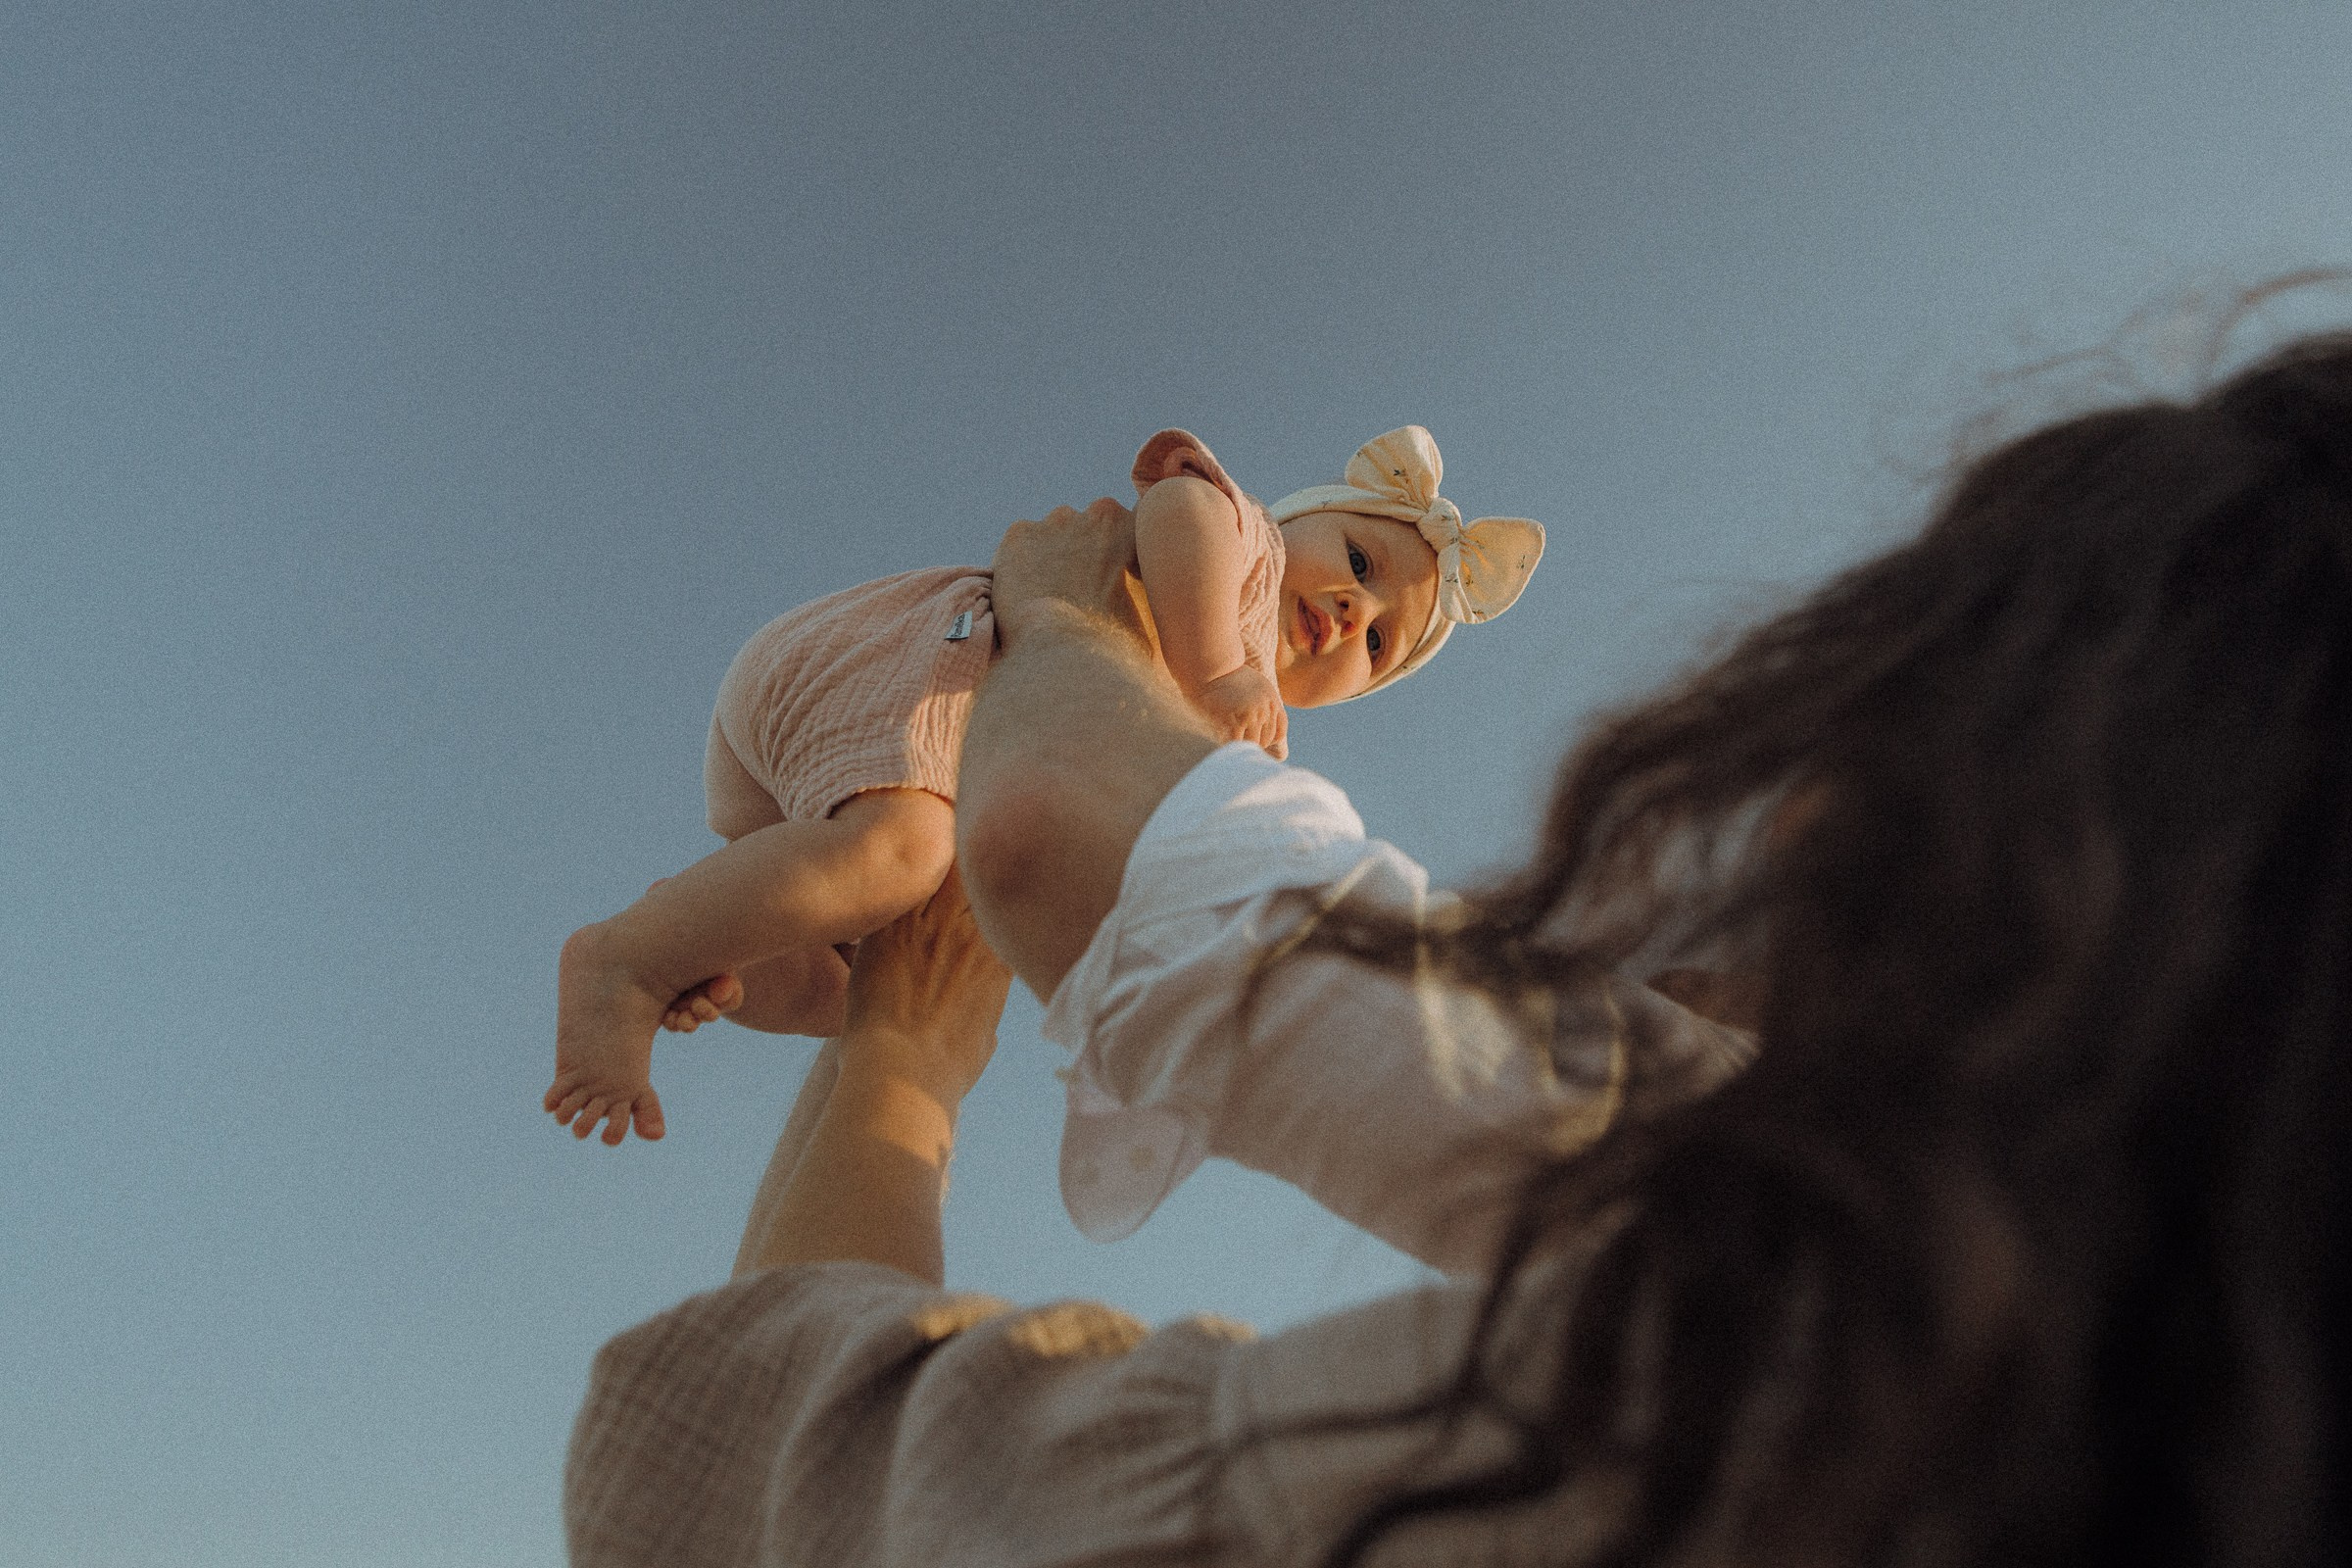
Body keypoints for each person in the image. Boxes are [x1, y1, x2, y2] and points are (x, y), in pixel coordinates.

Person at [565, 330, 2352, 1567]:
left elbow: (781, 1481)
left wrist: (1045, 656)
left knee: (882, 888)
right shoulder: (2142, 1324)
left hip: (987, 732)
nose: (1776, 872)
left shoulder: (1825, 1360)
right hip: (905, 699)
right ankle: (682, 957)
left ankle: (678, 964)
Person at [545, 425, 1545, 1145]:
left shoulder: (1214, 722)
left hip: (815, 788)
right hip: (915, 660)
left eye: (1378, 637)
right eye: (1360, 558)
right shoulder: (1239, 562)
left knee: (846, 994)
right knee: (900, 855)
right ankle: (625, 959)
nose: (1351, 604)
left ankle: (706, 935)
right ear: (1299, 525)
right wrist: (1214, 665)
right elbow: (1179, 507)